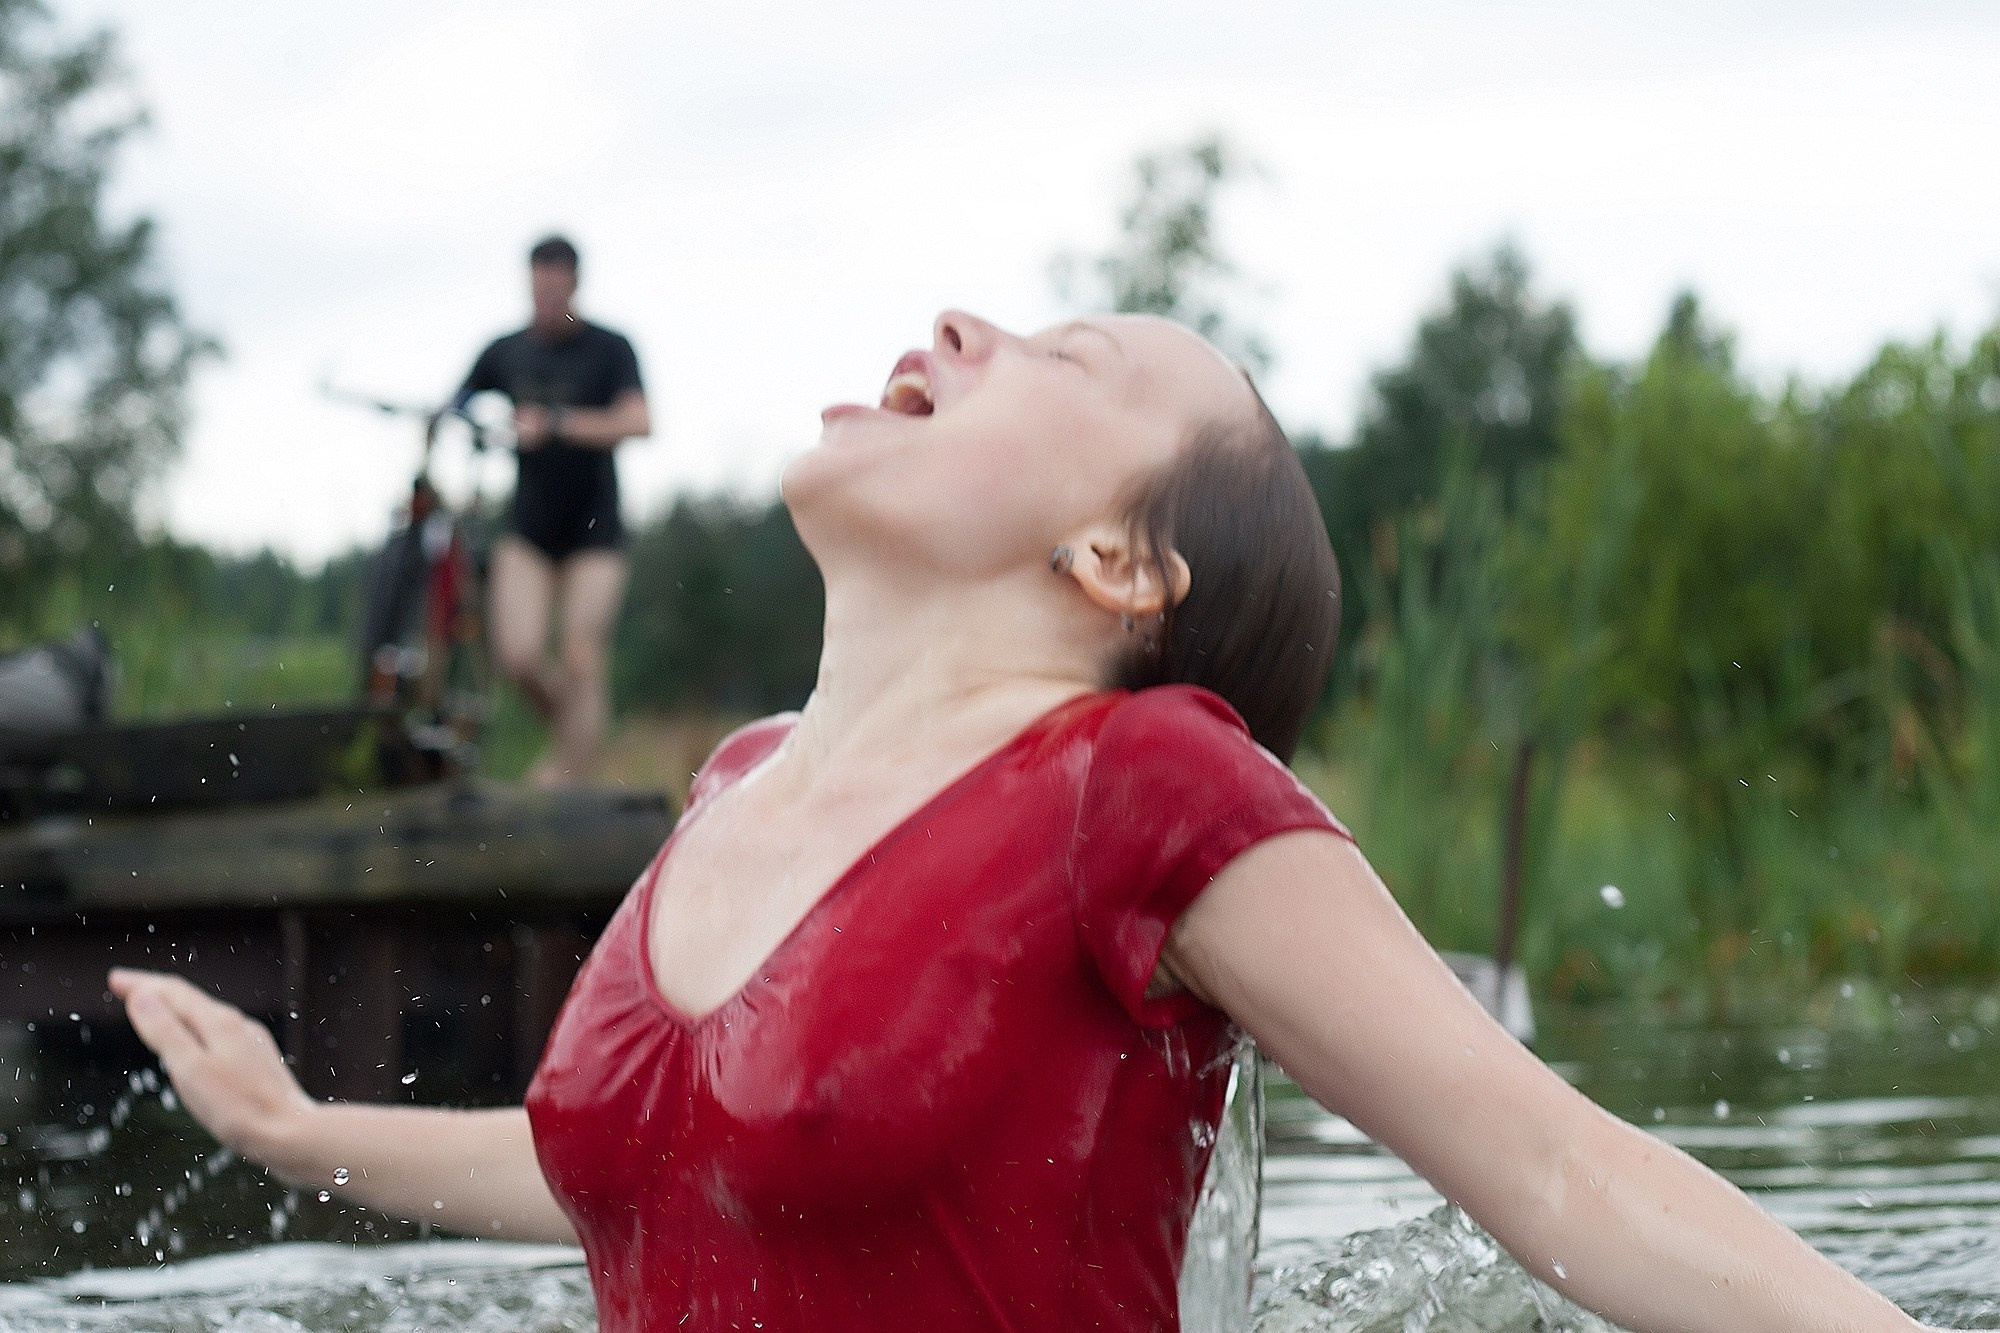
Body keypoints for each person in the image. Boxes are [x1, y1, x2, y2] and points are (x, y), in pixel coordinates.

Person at [110, 311, 1942, 1331]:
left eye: (1061, 362)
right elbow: (629, 1180)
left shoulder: (1147, 788)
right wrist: (289, 1123)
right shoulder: (740, 782)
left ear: (1122, 558)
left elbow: (1560, 1171)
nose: (960, 322)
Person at [453, 235, 651, 786]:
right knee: (516, 655)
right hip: (530, 529)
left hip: (596, 532)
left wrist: (558, 424)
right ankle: (576, 738)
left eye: (555, 288)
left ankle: (569, 781)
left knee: (581, 655)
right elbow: (458, 403)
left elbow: (639, 422)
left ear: (575, 285)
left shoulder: (611, 349)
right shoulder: (506, 351)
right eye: (536, 287)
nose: (544, 299)